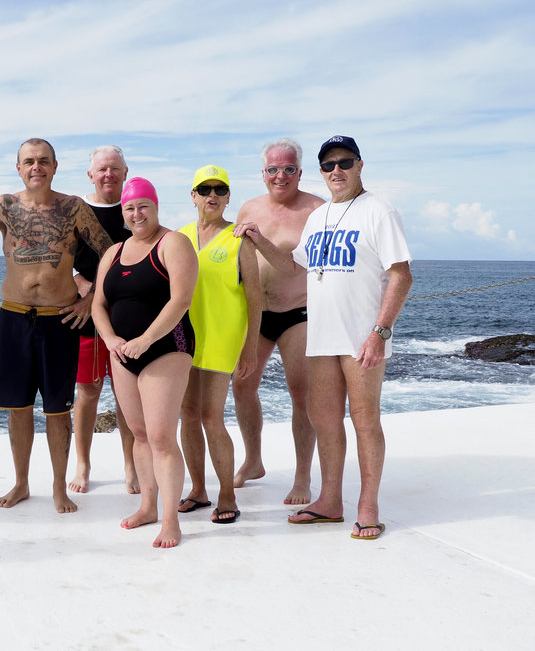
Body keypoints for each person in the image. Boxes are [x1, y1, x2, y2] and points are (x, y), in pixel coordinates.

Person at [235, 135, 413, 539]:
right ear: (321, 171)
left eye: (345, 163)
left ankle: (368, 506)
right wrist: (260, 241)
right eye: (329, 165)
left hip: (361, 336)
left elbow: (401, 274)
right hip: (321, 334)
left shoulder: (379, 211)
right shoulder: (319, 218)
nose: (337, 171)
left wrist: (380, 332)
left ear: (360, 165)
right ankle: (330, 500)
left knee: (365, 421)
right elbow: (294, 266)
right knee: (326, 419)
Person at [0, 138, 112, 514]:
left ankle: (58, 488)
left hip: (59, 320)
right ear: (19, 168)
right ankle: (20, 483)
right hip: (15, 317)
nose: (37, 167)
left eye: (43, 161)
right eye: (29, 161)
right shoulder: (4, 206)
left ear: (54, 166)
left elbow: (111, 252)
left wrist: (90, 299)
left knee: (58, 410)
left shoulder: (74, 207)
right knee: (17, 407)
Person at [91, 178, 197, 548]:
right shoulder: (114, 252)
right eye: (129, 208)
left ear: (155, 207)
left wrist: (145, 340)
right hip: (123, 352)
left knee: (161, 438)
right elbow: (98, 305)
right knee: (138, 434)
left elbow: (180, 300)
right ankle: (148, 506)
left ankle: (171, 520)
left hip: (166, 347)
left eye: (143, 206)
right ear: (123, 212)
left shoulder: (173, 243)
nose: (137, 214)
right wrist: (111, 340)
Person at [231, 139, 324, 505]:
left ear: (299, 172)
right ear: (263, 173)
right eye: (273, 169)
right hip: (256, 312)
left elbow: (304, 264)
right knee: (241, 386)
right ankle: (253, 461)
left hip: (298, 312)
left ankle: (302, 477)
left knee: (301, 394)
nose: (280, 175)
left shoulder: (316, 210)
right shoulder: (249, 208)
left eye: (288, 169)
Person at [177, 165, 261, 523]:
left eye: (220, 189)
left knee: (212, 417)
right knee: (188, 416)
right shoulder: (177, 238)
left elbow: (256, 299)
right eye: (205, 189)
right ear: (193, 195)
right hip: (183, 339)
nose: (212, 195)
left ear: (228, 197)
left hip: (223, 340)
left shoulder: (239, 239)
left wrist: (251, 347)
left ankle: (227, 493)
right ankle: (198, 490)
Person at [68, 145, 138, 495]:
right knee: (88, 391)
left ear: (125, 172)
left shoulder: (134, 209)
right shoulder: (75, 210)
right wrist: (83, 286)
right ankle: (83, 464)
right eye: (102, 169)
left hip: (128, 316)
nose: (108, 175)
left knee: (126, 395)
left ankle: (131, 465)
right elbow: (57, 262)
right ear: (91, 175)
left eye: (115, 169)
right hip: (85, 317)